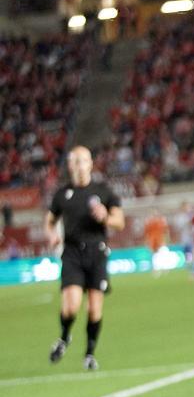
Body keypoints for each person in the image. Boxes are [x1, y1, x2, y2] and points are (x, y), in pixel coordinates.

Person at [45, 146, 125, 371]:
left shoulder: (103, 191)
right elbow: (50, 220)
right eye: (75, 161)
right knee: (71, 306)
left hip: (96, 252)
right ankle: (65, 336)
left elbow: (120, 221)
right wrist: (52, 235)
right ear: (70, 165)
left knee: (94, 309)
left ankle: (89, 353)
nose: (80, 165)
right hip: (71, 253)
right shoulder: (63, 195)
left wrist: (106, 217)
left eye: (83, 160)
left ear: (91, 163)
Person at [144, 209, 168, 276]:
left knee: (160, 254)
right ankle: (156, 269)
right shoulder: (151, 221)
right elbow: (147, 232)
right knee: (155, 254)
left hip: (158, 239)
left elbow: (165, 231)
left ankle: (162, 268)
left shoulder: (160, 221)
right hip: (154, 239)